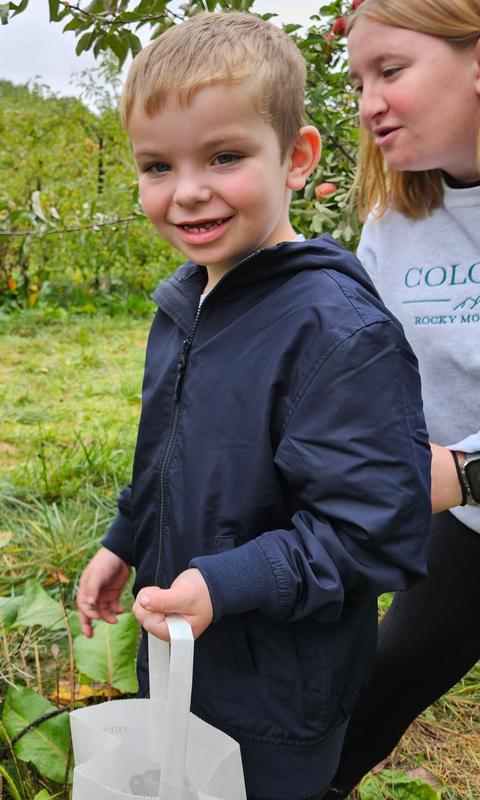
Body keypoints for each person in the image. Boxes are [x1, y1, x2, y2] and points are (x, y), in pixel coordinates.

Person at [75, 11, 432, 800]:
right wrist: (123, 539)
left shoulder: (338, 333)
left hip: (279, 695)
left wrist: (224, 585)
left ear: (297, 158)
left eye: (225, 156)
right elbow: (166, 454)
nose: (188, 192)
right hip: (183, 657)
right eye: (157, 166)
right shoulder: (186, 305)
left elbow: (375, 533)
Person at [323, 0, 480, 795]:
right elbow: (364, 373)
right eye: (358, 80)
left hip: (465, 492)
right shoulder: (396, 221)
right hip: (469, 528)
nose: (367, 102)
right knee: (381, 683)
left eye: (390, 71)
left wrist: (463, 471)